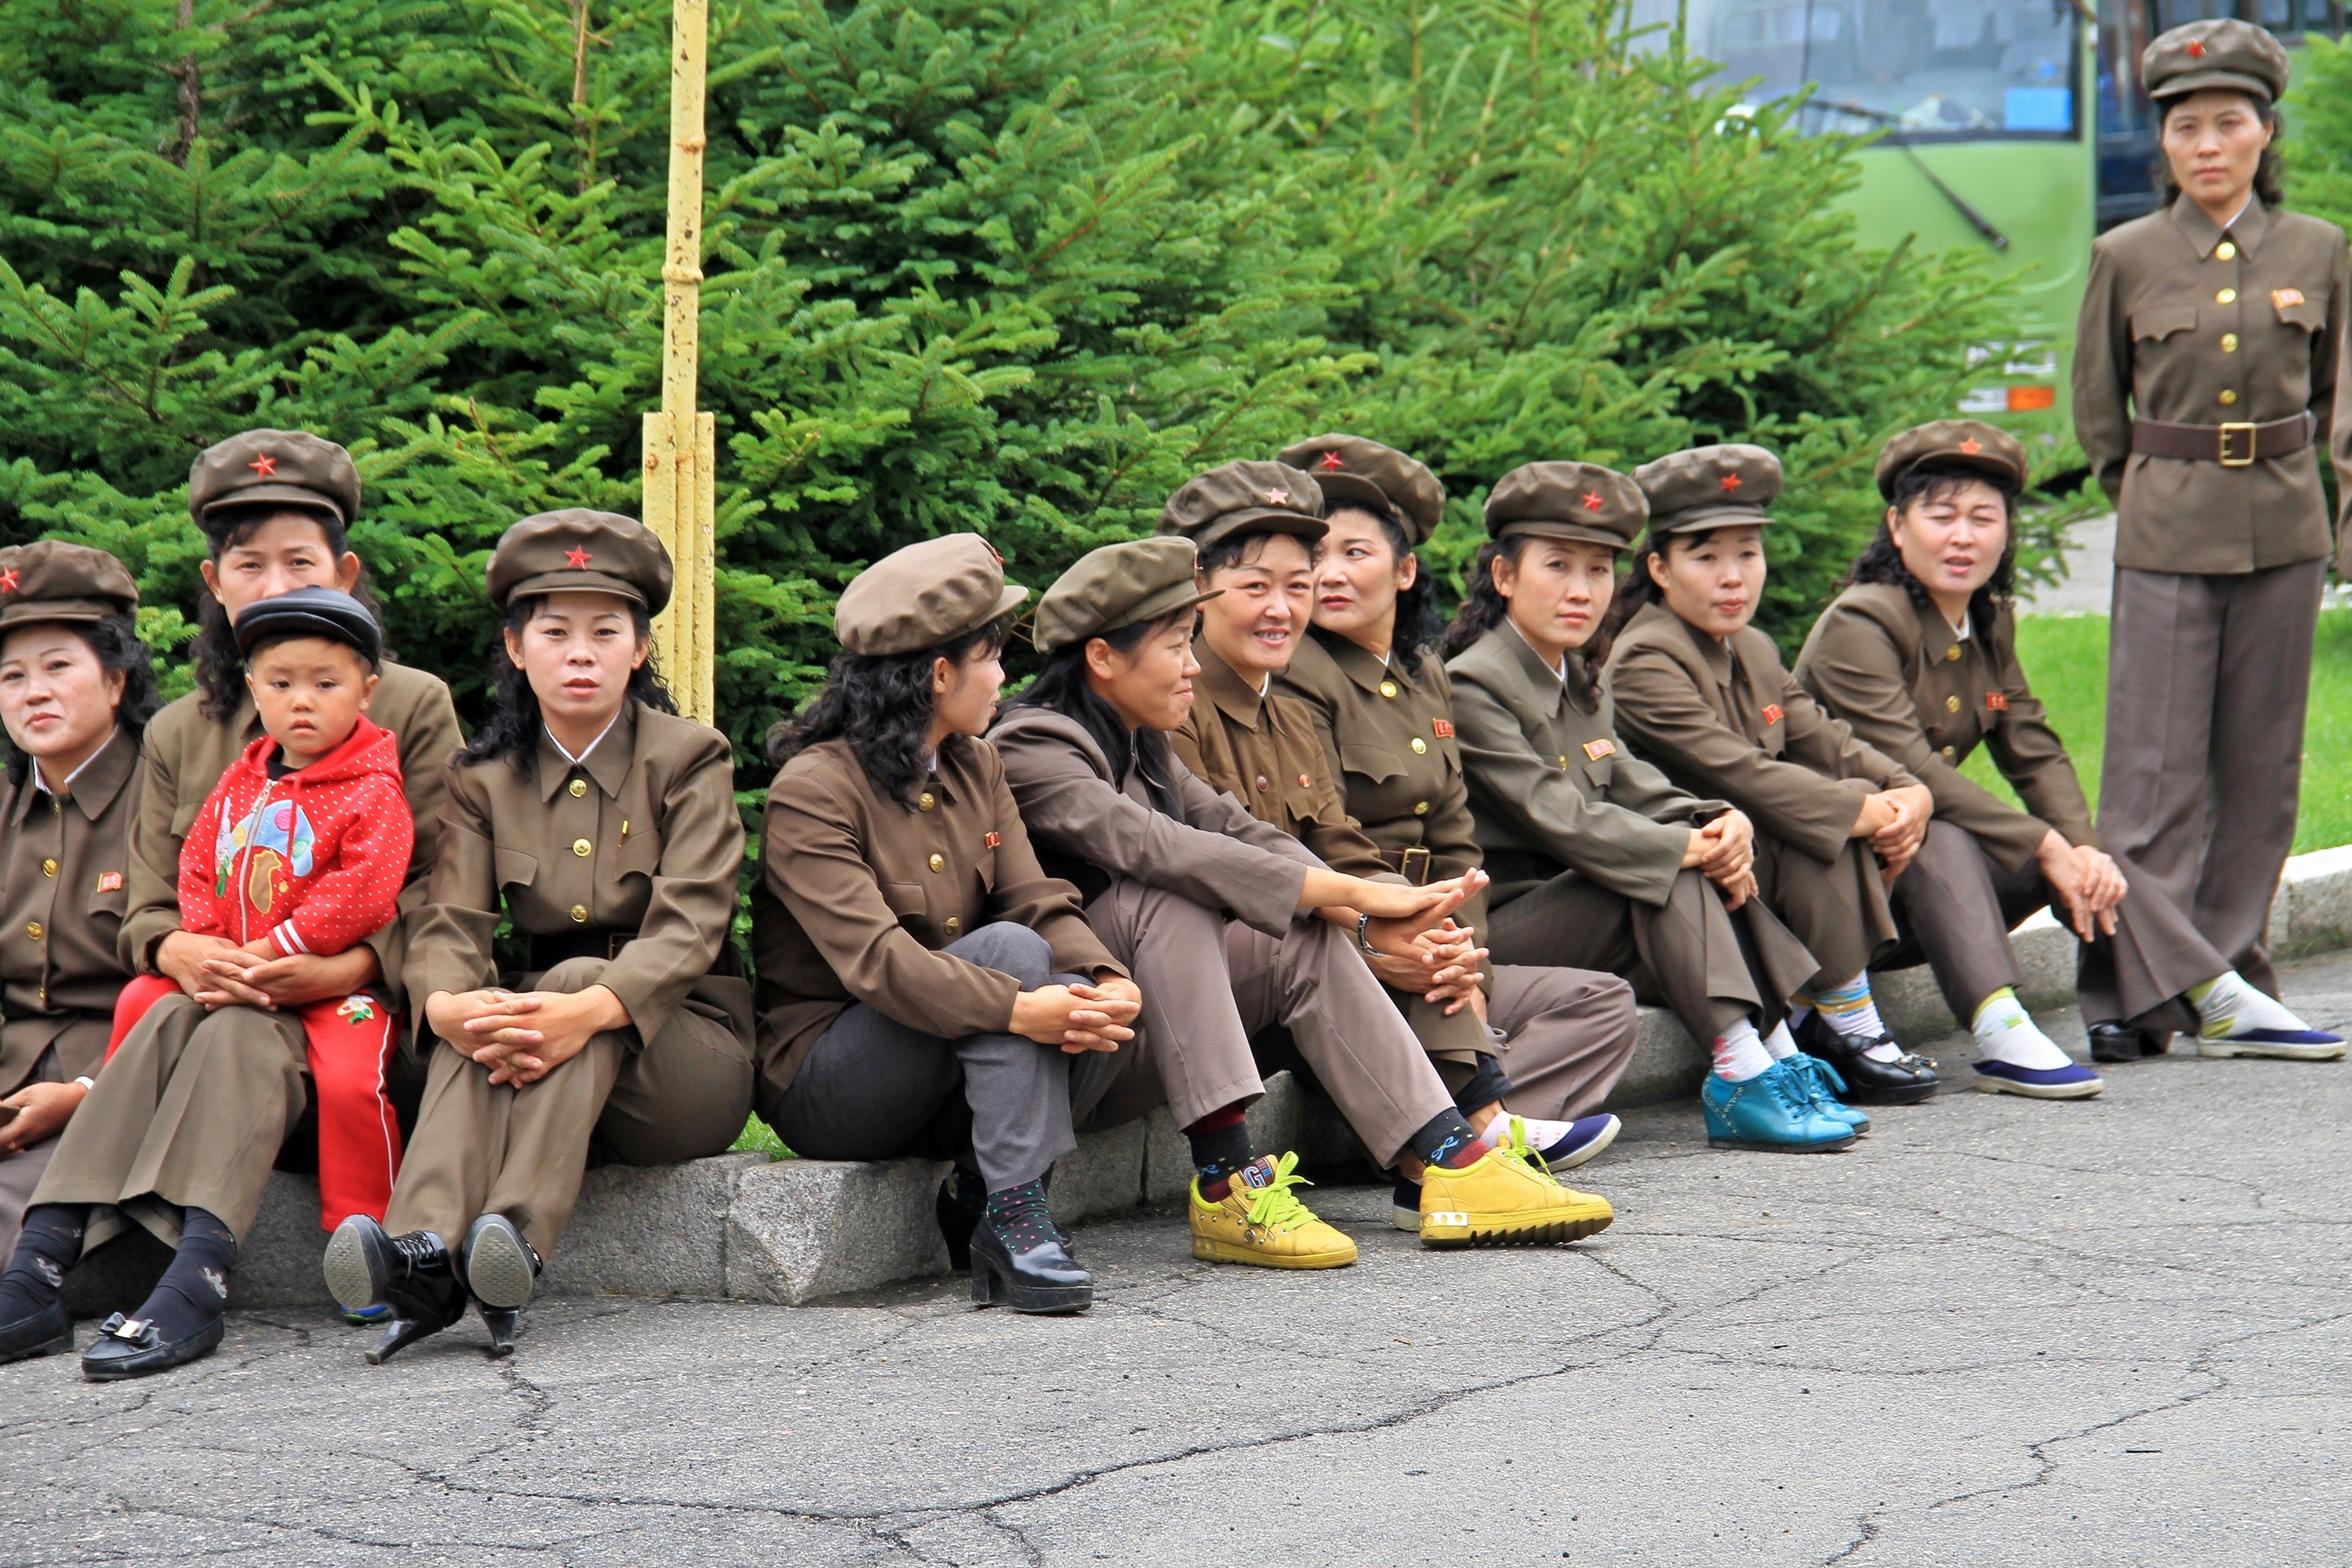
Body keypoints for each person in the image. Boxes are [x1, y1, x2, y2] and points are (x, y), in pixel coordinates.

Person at [993, 535, 1611, 1258]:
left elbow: (1243, 830)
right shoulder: (1031, 742)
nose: (1193, 665)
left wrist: (1369, 914)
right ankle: (1227, 1182)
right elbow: (1160, 848)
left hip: (1147, 1033)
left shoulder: (1141, 742)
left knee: (1302, 930)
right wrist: (1349, 891)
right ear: (1102, 657)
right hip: (1071, 1052)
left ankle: (1451, 1160)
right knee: (1176, 894)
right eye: (1175, 646)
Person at [0, 431, 463, 1381]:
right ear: (214, 580)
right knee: (190, 1009)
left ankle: (196, 1277)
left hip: (349, 1023)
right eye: (248, 564)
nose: (271, 581)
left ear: (348, 569)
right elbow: (150, 902)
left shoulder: (410, 705)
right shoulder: (182, 728)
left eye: (300, 560)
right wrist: (180, 950)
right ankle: (39, 1265)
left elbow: (437, 888)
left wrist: (341, 963)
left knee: (236, 1030)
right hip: (210, 994)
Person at [325, 510, 756, 1362]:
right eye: (555, 632)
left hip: (681, 1057)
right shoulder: (484, 777)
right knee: (489, 1003)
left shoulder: (689, 757)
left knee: (556, 991)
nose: (582, 652)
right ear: (519, 649)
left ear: (639, 649)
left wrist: (591, 1004)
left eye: (607, 631)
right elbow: (451, 919)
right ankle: (431, 1254)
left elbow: (692, 924)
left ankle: (509, 1238)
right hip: (541, 1052)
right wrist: (447, 1001)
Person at [1795, 420, 2343, 1075]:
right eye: (1941, 516)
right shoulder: (1863, 622)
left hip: (1919, 897)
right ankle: (1999, 1027)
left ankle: (2217, 998)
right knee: (1940, 832)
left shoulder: (1984, 618)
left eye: (1983, 517)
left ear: (2007, 530)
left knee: (2081, 841)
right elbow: (1912, 773)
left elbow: (2032, 745)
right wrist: (2046, 844)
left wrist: (2079, 844)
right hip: (1839, 901)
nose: (1964, 536)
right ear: (1897, 526)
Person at [1159, 461, 1625, 1226]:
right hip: (1211, 980)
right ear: (1195, 582)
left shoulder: (1284, 698)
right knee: (1331, 935)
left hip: (1317, 949)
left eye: (1296, 582)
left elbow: (1378, 839)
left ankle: (1444, 1143)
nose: (1286, 607)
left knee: (1563, 990)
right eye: (1256, 585)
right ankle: (1460, 1140)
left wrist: (1432, 935)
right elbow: (1225, 870)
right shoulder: (1183, 695)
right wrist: (1381, 934)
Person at [753, 535, 1139, 1315]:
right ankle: (1020, 1221)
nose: (1005, 677)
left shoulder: (975, 763)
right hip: (836, 1082)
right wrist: (1016, 1007)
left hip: (950, 1068)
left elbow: (1035, 895)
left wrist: (1108, 978)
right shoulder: (815, 790)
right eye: (992, 657)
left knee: (1077, 997)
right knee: (1013, 958)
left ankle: (989, 1203)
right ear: (939, 674)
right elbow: (878, 962)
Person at [2071, 18, 2351, 1055]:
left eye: (2228, 123)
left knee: (2260, 770)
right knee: (2148, 777)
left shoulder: (2319, 251)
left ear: (2263, 133)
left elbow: (2342, 407)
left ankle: (2229, 980)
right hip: (2166, 529)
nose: (2207, 144)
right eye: (2186, 127)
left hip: (2284, 528)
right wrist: (2151, 492)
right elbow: (2100, 414)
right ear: (2166, 144)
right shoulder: (2127, 254)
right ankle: (2130, 997)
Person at [1441, 461, 1847, 1153]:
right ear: (1504, 577)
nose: (1581, 590)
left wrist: (1713, 819)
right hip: (1505, 928)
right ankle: (1743, 1065)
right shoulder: (1476, 683)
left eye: (1599, 571)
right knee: (1675, 870)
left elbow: (1631, 782)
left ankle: (1773, 1052)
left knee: (1696, 857)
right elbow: (1558, 817)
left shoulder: (1576, 674)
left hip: (1581, 911)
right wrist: (1688, 849)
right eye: (1559, 566)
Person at [1272, 434, 1640, 1164]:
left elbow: (1456, 841)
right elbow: (1319, 838)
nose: (1330, 576)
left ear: (1406, 570)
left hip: (1431, 944)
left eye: (1356, 553)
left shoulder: (1422, 673)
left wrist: (1469, 955)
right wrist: (1412, 944)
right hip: (1357, 939)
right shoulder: (1297, 670)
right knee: (1433, 981)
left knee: (1600, 1003)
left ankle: (1419, 1127)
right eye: (1315, 558)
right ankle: (1468, 1128)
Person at [1605, 445, 1948, 1103]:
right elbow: (1743, 775)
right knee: (1822, 813)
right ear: (1659, 568)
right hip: (1695, 891)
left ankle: (1842, 1016)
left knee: (1837, 798)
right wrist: (1869, 809)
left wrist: (1909, 788)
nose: (1733, 577)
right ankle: (1847, 1021)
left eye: (1747, 555)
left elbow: (1826, 736)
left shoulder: (1752, 646)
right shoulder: (1646, 656)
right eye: (1706, 558)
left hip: (1757, 875)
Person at [108, 589, 414, 1229]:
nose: (301, 700)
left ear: (366, 690)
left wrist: (273, 951)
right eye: (281, 683)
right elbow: (197, 862)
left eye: (326, 683)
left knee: (353, 1081)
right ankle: (113, 1167)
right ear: (253, 688)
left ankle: (365, 1232)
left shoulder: (373, 789)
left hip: (328, 981)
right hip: (237, 964)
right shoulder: (239, 779)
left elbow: (358, 896)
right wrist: (210, 944)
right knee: (141, 998)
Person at [0, 545, 155, 1301]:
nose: (34, 693)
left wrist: (90, 1090)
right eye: (12, 677)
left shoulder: (170, 801)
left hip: (122, 1086)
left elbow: (189, 986)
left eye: (58, 667)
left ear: (117, 677)